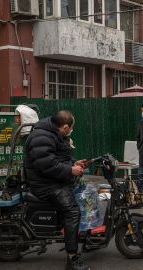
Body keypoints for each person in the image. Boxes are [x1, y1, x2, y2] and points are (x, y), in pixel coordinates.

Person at [24, 111, 90, 270]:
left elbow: (58, 158)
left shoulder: (52, 133)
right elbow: (47, 165)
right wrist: (70, 171)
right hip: (45, 184)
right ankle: (72, 257)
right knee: (73, 211)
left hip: (53, 180)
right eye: (70, 129)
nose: (70, 131)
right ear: (65, 127)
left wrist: (75, 163)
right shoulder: (42, 137)